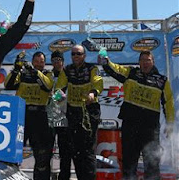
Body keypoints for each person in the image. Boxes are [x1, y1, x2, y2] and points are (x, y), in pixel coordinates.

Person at [99, 50, 175, 180]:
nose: (145, 63)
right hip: (130, 127)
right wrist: (105, 60)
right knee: (129, 163)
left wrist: (170, 123)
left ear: (153, 62)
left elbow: (168, 103)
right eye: (142, 60)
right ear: (138, 62)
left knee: (152, 164)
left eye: (148, 60)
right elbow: (114, 69)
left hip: (150, 129)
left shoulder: (162, 81)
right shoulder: (131, 73)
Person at [55, 44, 103, 180]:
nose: (76, 56)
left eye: (79, 54)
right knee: (75, 150)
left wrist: (93, 93)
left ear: (84, 55)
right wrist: (56, 96)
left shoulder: (92, 68)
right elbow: (60, 87)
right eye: (73, 54)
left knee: (87, 151)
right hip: (73, 112)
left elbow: (98, 83)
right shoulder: (67, 70)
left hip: (89, 111)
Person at [5, 51, 53, 180]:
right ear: (32, 61)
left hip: (40, 116)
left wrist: (35, 72)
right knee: (13, 151)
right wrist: (16, 69)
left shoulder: (48, 74)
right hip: (22, 115)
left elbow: (48, 86)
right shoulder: (22, 74)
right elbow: (8, 85)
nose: (38, 64)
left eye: (41, 62)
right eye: (36, 62)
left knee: (42, 155)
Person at [47, 50, 72, 180]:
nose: (57, 62)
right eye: (54, 60)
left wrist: (55, 95)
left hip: (64, 116)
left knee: (65, 151)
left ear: (63, 61)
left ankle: (64, 177)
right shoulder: (48, 75)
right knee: (46, 150)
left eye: (59, 60)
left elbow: (65, 93)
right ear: (51, 62)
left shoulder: (68, 74)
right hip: (50, 116)